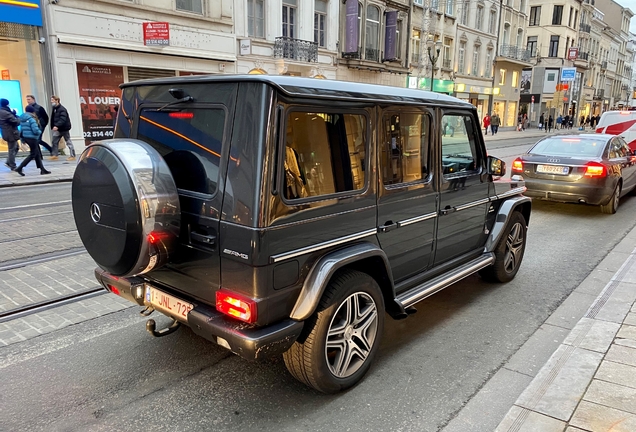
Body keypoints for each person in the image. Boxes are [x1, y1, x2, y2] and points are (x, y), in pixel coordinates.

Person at [15, 105, 50, 176]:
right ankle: (20, 167)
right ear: (32, 111)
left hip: (26, 137)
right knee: (33, 154)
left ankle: (42, 169)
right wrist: (39, 132)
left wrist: (22, 139)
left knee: (37, 154)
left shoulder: (22, 118)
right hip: (32, 138)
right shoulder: (31, 119)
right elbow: (35, 130)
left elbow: (22, 130)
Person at [49, 95, 75, 161]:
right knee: (54, 141)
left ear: (57, 100)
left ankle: (72, 155)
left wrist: (56, 126)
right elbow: (53, 118)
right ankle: (55, 155)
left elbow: (62, 119)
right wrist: (53, 126)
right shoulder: (55, 109)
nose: (51, 102)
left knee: (68, 141)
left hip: (64, 128)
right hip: (58, 129)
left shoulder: (62, 109)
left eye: (52, 100)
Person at [0, 98, 20, 170]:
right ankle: (13, 166)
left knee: (16, 147)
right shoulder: (6, 113)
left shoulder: (3, 111)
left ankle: (9, 161)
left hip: (7, 132)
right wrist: (17, 116)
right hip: (11, 133)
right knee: (12, 149)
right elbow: (16, 122)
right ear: (7, 104)